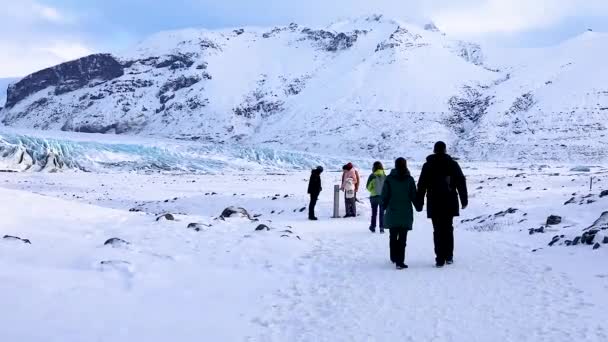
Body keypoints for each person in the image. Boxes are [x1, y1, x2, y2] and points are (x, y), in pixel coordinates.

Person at [416, 141, 468, 268]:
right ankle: (449, 256)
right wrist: (464, 200)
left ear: (434, 150)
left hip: (434, 201)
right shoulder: (453, 164)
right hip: (450, 200)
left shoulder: (428, 165)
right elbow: (461, 182)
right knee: (448, 228)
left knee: (437, 230)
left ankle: (439, 258)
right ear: (445, 150)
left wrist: (419, 202)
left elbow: (421, 185)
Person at [381, 157, 417, 270]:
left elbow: (384, 195)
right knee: (402, 238)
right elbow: (413, 196)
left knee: (392, 236)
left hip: (392, 211)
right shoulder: (409, 179)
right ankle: (400, 261)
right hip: (405, 212)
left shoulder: (389, 179)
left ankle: (393, 257)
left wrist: (383, 206)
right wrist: (419, 206)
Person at [366, 161, 387, 233]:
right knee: (382, 213)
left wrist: (373, 190)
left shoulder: (372, 176)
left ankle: (373, 227)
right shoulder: (385, 175)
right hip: (382, 197)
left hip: (374, 197)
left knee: (374, 213)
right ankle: (382, 228)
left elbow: (368, 187)